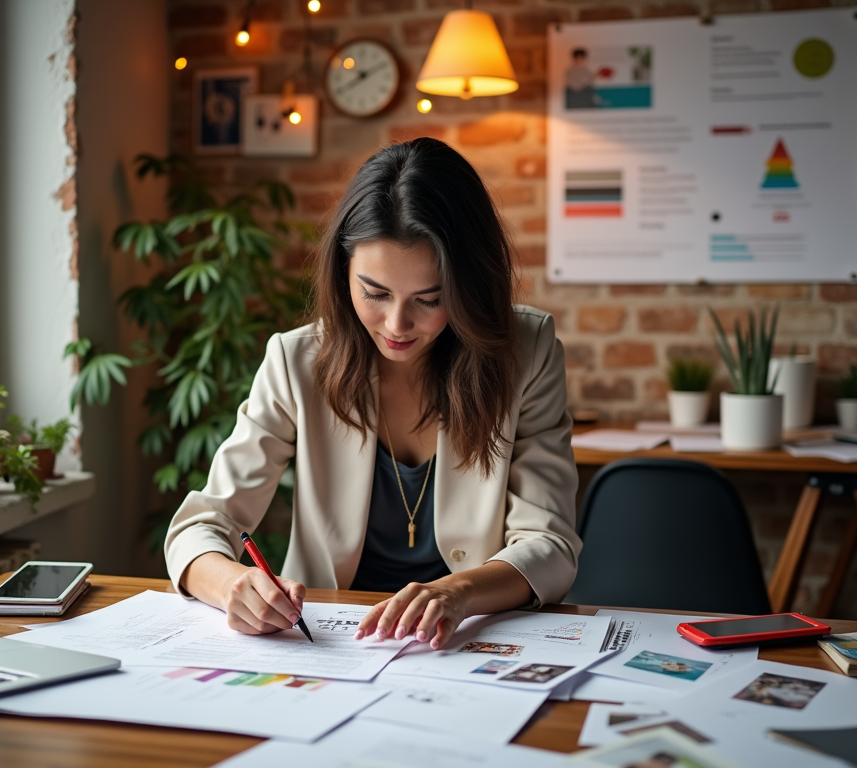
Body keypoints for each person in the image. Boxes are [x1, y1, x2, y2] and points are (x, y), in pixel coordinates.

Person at [164, 137, 581, 650]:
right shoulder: (297, 362)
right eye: (375, 293)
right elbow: (202, 525)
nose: (397, 324)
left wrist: (458, 592)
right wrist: (232, 584)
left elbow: (551, 544)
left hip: (467, 640)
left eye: (430, 299)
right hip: (325, 645)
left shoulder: (525, 352)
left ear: (469, 286)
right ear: (344, 275)